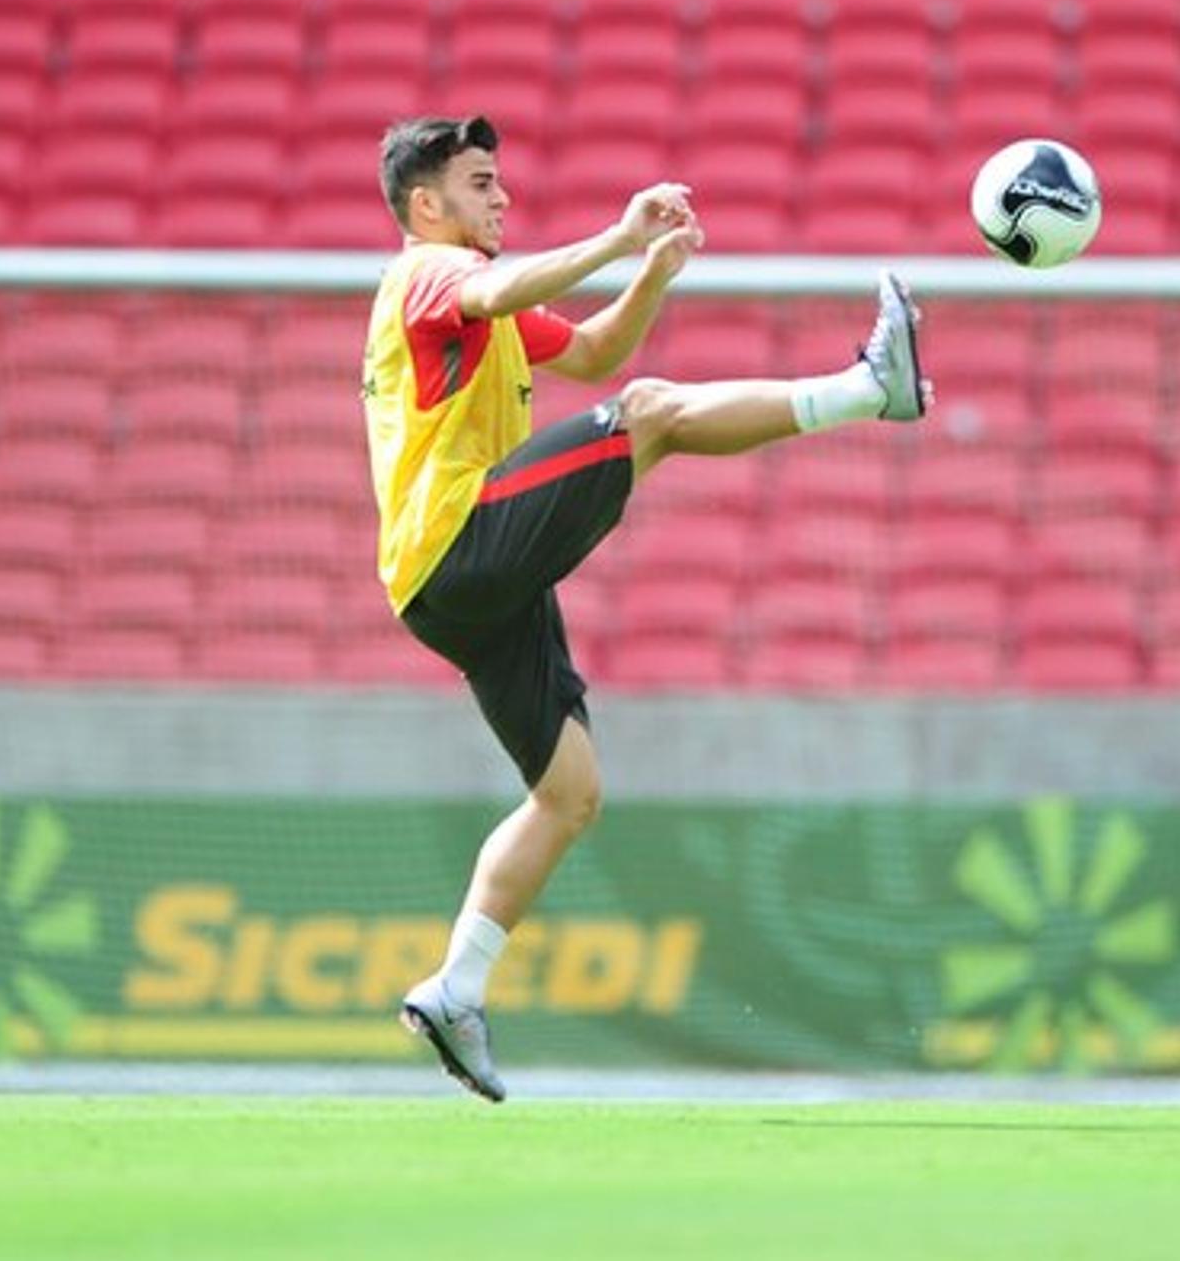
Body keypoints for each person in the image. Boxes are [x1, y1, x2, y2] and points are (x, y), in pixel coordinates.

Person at [363, 114, 927, 1101]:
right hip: (456, 544)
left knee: (569, 794)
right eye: (482, 184)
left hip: (448, 585)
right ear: (426, 206)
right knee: (654, 412)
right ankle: (870, 390)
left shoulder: (473, 304)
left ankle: (455, 990)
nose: (501, 200)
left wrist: (653, 271)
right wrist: (620, 236)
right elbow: (505, 289)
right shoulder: (425, 274)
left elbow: (586, 352)